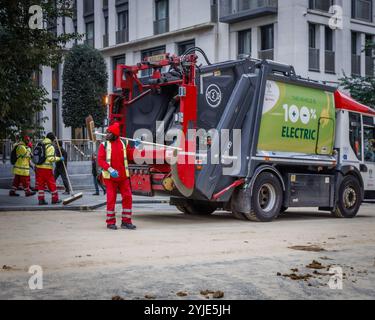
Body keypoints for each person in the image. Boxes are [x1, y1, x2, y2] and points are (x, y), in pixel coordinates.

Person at [98, 122, 135, 231]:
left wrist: (137, 147)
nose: (107, 135)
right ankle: (110, 222)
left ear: (115, 134)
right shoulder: (104, 145)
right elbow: (100, 160)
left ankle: (126, 221)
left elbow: (130, 155)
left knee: (128, 197)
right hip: (110, 177)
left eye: (109, 133)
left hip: (123, 177)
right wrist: (110, 169)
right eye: (107, 132)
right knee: (111, 199)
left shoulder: (124, 143)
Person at [36, 132, 64, 205]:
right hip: (47, 168)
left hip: (39, 167)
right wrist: (59, 158)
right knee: (52, 183)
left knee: (41, 184)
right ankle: (55, 199)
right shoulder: (50, 146)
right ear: (52, 139)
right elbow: (51, 158)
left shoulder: (40, 144)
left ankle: (41, 200)